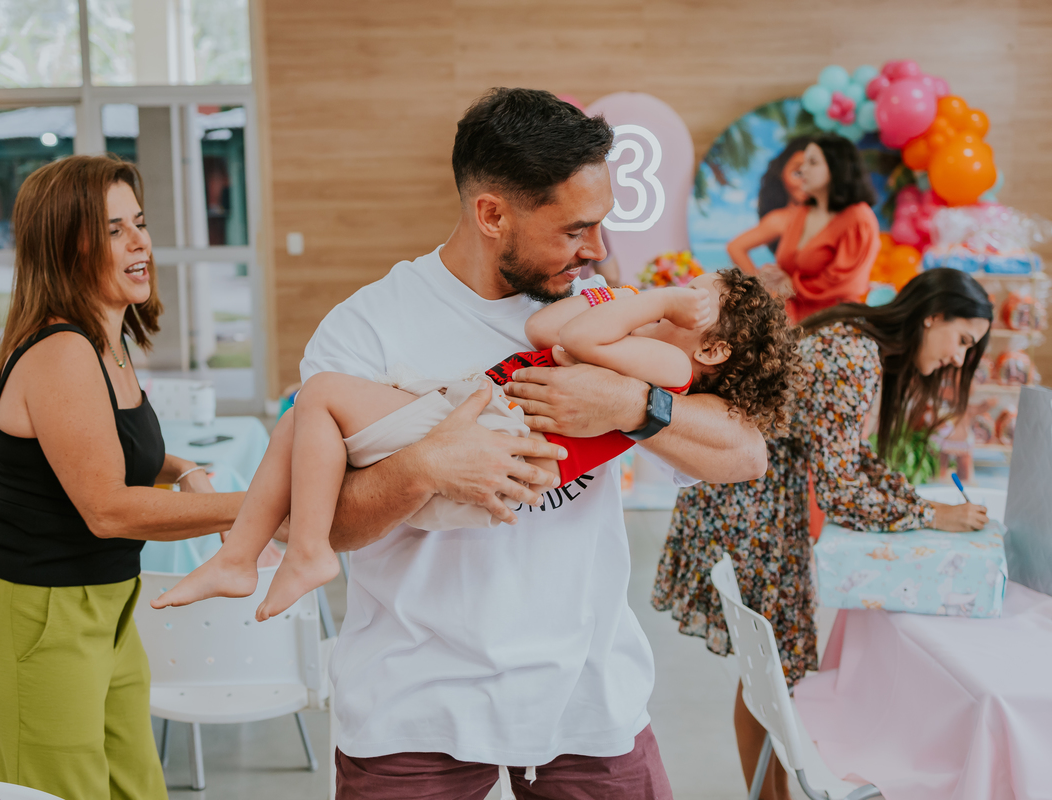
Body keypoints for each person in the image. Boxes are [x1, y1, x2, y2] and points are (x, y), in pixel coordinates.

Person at [265, 87, 767, 800]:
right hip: (414, 704)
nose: (598, 250)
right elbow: (310, 523)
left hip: (588, 696)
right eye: (575, 229)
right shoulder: (365, 330)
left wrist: (630, 405)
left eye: (602, 224)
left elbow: (746, 454)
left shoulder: (600, 310)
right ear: (492, 214)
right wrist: (426, 467)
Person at [152, 269, 798, 621]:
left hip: (496, 439)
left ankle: (301, 553)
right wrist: (622, 297)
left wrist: (650, 301)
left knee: (319, 397)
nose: (682, 293)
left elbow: (582, 342)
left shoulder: (670, 366)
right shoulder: (635, 332)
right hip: (476, 417)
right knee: (303, 417)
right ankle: (243, 555)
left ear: (713, 349)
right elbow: (546, 327)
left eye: (698, 298)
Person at [0, 155, 247, 800]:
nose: (140, 242)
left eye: (138, 222)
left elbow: (114, 451)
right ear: (66, 247)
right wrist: (254, 505)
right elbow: (108, 508)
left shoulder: (107, 343)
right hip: (37, 610)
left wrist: (186, 470)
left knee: (135, 788)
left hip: (105, 600)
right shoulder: (62, 352)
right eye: (114, 230)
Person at [652, 267, 993, 800]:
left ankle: (775, 794)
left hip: (752, 492)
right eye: (963, 340)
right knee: (770, 671)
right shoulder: (856, 355)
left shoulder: (856, 339)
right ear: (933, 316)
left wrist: (921, 506)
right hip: (750, 500)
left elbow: (849, 458)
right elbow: (840, 490)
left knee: (769, 670)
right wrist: (930, 515)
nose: (958, 358)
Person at [728, 134, 880, 322]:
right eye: (802, 164)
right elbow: (786, 270)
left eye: (812, 163)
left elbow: (846, 283)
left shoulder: (858, 218)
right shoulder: (801, 212)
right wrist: (773, 277)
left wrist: (792, 285)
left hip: (831, 324)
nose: (803, 170)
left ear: (837, 168)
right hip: (788, 322)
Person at [726, 135, 813, 267]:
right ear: (781, 173)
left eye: (812, 174)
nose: (804, 181)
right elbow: (735, 247)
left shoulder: (828, 214)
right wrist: (757, 280)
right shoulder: (781, 219)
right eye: (797, 173)